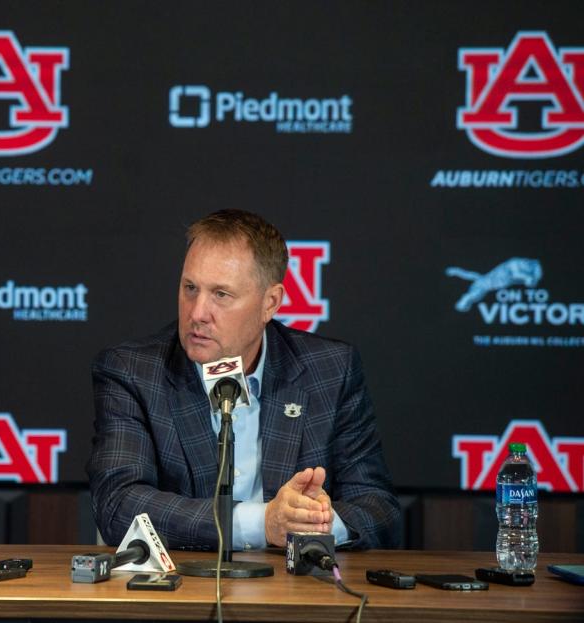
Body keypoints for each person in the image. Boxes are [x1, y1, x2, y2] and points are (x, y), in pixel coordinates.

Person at [87, 209, 401, 550]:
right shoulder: (133, 371)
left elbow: (378, 509)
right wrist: (262, 524)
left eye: (221, 295)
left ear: (271, 303)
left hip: (296, 594)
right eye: (190, 288)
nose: (197, 313)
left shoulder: (329, 370)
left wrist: (314, 520)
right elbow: (118, 506)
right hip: (183, 589)